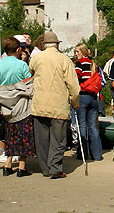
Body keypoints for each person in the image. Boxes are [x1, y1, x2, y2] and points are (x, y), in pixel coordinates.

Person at [29, 31, 80, 179]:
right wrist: (75, 102)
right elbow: (74, 86)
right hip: (58, 105)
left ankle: (45, 168)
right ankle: (55, 168)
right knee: (58, 140)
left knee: (42, 140)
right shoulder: (64, 60)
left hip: (39, 105)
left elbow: (31, 71)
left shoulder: (36, 58)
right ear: (57, 44)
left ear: (44, 45)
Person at [0, 36, 35, 177]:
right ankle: (22, 166)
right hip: (21, 103)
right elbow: (28, 82)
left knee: (10, 134)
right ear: (18, 49)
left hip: (6, 102)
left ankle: (8, 164)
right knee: (24, 134)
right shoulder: (21, 65)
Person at [74, 43, 103, 162]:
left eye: (77, 52)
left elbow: (75, 78)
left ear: (82, 52)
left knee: (82, 125)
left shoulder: (80, 64)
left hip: (83, 95)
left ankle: (83, 154)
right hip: (93, 97)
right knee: (93, 126)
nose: (76, 54)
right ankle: (97, 154)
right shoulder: (93, 64)